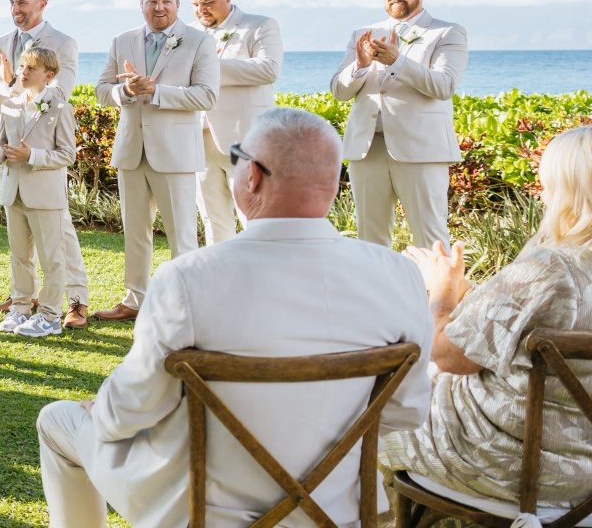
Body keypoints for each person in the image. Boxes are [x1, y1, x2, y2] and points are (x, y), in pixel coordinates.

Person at [36, 108, 433, 526]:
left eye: (237, 156)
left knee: (59, 420)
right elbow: (405, 412)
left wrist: (98, 408)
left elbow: (124, 416)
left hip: (202, 513)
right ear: (332, 182)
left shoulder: (187, 278)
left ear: (253, 177)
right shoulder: (398, 275)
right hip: (336, 513)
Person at [382, 122, 592, 509]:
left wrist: (441, 289)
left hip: (516, 465)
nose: (542, 194)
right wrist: (465, 291)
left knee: (383, 391)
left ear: (571, 192)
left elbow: (451, 356)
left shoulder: (553, 268)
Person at [0, 0, 89, 329]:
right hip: (7, 145)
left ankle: (75, 300)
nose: (16, 9)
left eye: (23, 3)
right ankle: (23, 300)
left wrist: (13, 82)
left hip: (39, 150)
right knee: (21, 233)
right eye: (13, 2)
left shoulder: (63, 43)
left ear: (42, 4)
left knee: (58, 233)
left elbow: (59, 95)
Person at [91, 0, 220, 323]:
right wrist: (127, 92)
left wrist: (157, 90)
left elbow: (207, 95)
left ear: (177, 5)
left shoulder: (198, 41)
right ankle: (135, 299)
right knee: (135, 232)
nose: (158, 7)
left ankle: (186, 304)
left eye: (166, 1)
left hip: (176, 152)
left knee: (181, 234)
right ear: (142, 4)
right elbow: (102, 90)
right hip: (132, 150)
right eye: (152, 1)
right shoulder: (122, 41)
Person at [330, 0, 468, 249]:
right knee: (370, 239)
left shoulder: (447, 33)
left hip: (421, 149)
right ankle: (376, 294)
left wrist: (397, 61)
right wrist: (360, 65)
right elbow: (339, 92)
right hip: (367, 147)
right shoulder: (363, 32)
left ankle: (436, 295)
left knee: (430, 238)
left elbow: (443, 86)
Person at [0, 47, 83, 339]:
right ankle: (21, 308)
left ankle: (49, 316)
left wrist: (32, 156)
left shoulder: (60, 107)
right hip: (14, 192)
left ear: (48, 76)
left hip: (45, 195)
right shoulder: (10, 106)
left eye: (30, 69)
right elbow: (3, 148)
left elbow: (67, 154)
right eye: (22, 66)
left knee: (52, 259)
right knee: (20, 256)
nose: (22, 72)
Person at [185, 0, 282, 245]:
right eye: (195, 5)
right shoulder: (188, 34)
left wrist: (210, 67)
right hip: (199, 137)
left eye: (208, 2)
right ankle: (221, 278)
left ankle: (261, 278)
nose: (201, 10)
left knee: (253, 214)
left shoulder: (260, 25)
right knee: (212, 217)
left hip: (245, 138)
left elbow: (269, 69)